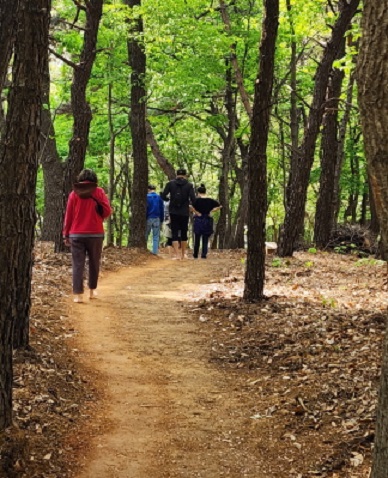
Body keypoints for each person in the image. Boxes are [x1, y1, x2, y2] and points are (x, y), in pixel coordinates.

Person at [63, 169, 112, 303]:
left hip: (76, 234)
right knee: (94, 262)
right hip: (95, 234)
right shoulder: (99, 192)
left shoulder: (74, 193)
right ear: (94, 179)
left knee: (78, 264)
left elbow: (69, 216)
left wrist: (66, 234)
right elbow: (107, 211)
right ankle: (92, 291)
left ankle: (78, 295)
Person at [161, 168, 196, 260]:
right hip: (184, 212)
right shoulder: (189, 185)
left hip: (173, 211)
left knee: (175, 232)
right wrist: (191, 206)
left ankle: (176, 255)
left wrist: (169, 200)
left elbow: (163, 195)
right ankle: (183, 254)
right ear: (185, 175)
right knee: (184, 232)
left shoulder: (170, 184)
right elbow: (193, 199)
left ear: (176, 175)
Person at [190, 184, 221, 259]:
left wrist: (196, 212)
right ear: (205, 192)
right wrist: (212, 211)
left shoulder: (196, 200)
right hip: (207, 219)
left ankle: (195, 254)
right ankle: (204, 254)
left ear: (198, 192)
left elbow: (190, 206)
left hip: (198, 219)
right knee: (205, 238)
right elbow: (220, 206)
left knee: (197, 237)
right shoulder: (210, 200)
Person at [146, 185, 164, 255]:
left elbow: (145, 208)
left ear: (148, 189)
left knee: (146, 234)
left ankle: (144, 249)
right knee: (156, 236)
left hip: (148, 218)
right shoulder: (159, 197)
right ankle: (155, 252)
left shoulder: (146, 197)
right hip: (157, 218)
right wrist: (161, 219)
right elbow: (161, 209)